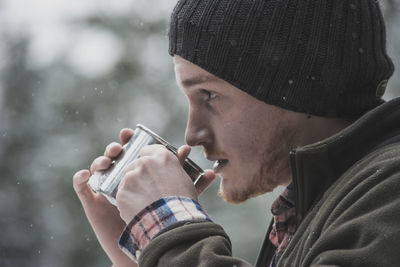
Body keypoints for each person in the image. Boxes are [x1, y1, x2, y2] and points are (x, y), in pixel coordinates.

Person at [73, 0, 400, 266]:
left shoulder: (390, 193)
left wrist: (170, 236)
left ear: (292, 87)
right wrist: (144, 254)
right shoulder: (322, 202)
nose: (192, 134)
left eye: (209, 96)